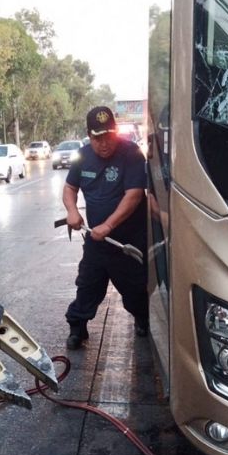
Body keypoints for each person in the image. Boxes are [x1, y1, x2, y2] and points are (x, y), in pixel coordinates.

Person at [61, 106, 150, 349]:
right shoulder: (82, 155)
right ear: (89, 135)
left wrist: (109, 225)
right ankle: (77, 328)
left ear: (116, 131)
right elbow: (70, 188)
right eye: (97, 137)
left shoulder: (131, 153)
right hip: (97, 241)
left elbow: (134, 195)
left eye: (108, 136)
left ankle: (143, 318)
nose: (104, 143)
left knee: (134, 289)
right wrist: (72, 211)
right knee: (87, 285)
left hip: (127, 241)